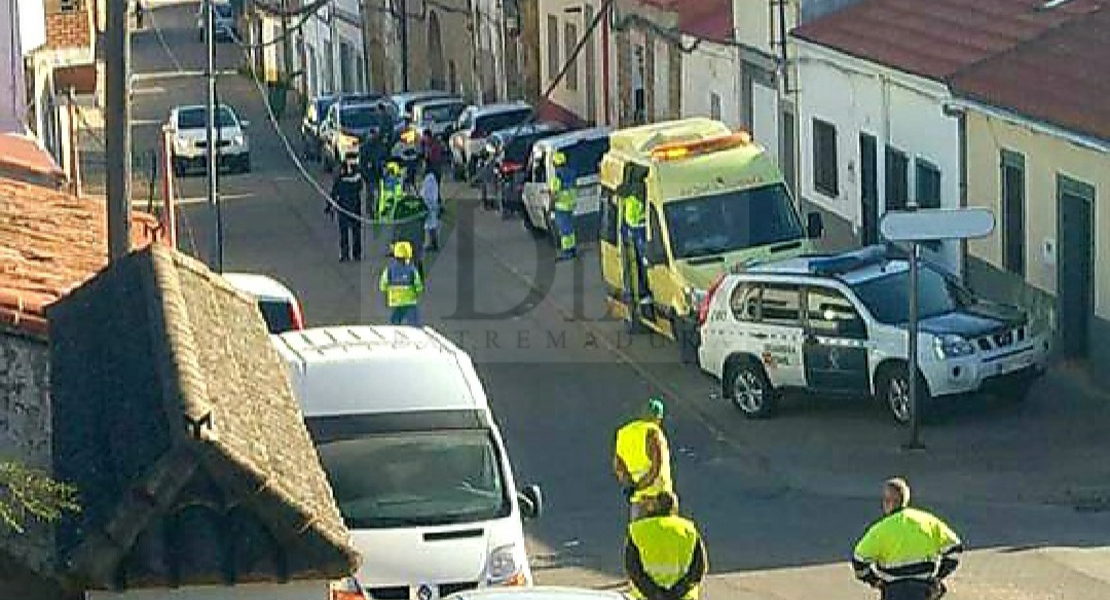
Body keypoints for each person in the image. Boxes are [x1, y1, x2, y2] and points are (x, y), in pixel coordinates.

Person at [853, 478, 963, 600]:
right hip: (923, 590)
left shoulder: (880, 529)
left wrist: (875, 581)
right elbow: (955, 549)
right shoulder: (928, 522)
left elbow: (859, 561)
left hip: (893, 592)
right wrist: (938, 576)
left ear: (888, 502)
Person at [624, 491, 707, 600]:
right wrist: (677, 592)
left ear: (655, 507)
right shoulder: (689, 531)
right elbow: (698, 568)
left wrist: (655, 594)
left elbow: (633, 569)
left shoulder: (638, 531)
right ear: (675, 509)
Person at [614, 397, 674, 520]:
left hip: (638, 500)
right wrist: (640, 486)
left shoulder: (623, 433)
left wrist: (630, 487)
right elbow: (656, 468)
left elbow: (618, 465)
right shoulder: (653, 432)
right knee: (666, 535)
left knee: (638, 536)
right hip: (660, 498)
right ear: (658, 418)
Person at [379, 241, 424, 325]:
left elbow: (382, 286)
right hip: (410, 303)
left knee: (395, 325)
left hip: (394, 303)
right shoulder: (412, 270)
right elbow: (419, 286)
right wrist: (417, 292)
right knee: (413, 325)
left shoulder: (388, 270)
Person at [622, 181, 652, 305]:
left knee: (643, 263)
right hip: (636, 229)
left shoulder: (634, 194)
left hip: (639, 229)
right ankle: (641, 292)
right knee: (640, 263)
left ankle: (644, 292)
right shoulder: (638, 193)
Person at [330, 163, 363, 262]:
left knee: (344, 233)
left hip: (343, 210)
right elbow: (360, 187)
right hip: (355, 209)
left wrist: (329, 207)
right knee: (356, 232)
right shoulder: (357, 179)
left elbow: (333, 195)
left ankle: (345, 254)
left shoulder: (339, 181)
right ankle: (356, 254)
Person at [550, 152, 577, 260]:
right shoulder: (571, 173)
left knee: (564, 231)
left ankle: (567, 252)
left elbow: (554, 194)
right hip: (570, 205)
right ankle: (572, 249)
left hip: (561, 206)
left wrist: (551, 206)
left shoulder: (557, 176)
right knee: (569, 229)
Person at [421, 161, 441, 253]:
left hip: (429, 204)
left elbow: (427, 193)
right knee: (431, 225)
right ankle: (433, 243)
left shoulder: (429, 178)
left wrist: (425, 202)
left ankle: (433, 244)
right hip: (431, 204)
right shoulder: (430, 178)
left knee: (430, 225)